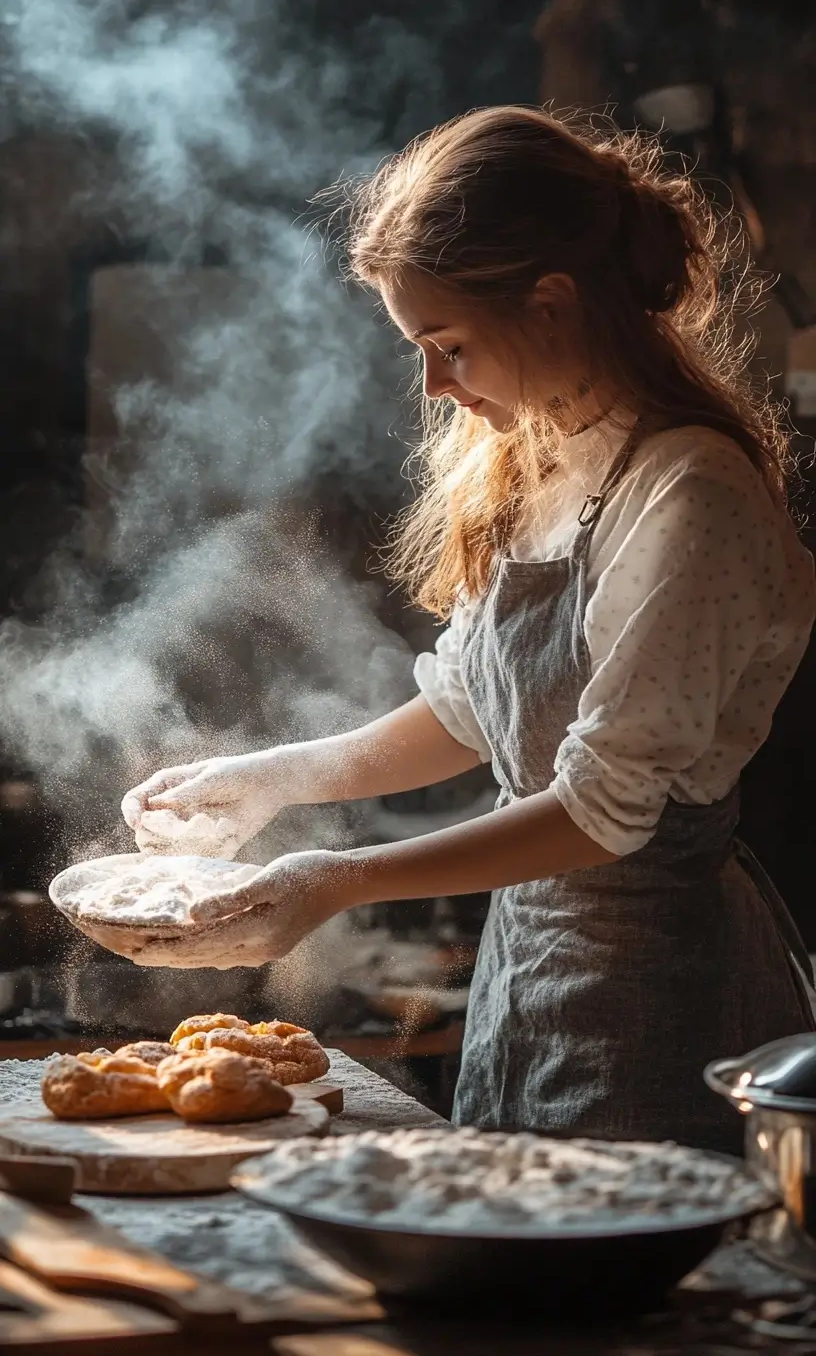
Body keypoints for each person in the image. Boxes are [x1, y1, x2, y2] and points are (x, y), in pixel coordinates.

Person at [122, 106, 816, 1152]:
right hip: (529, 968)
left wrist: (334, 881)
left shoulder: (689, 493)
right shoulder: (545, 457)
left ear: (549, 303)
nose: (437, 386)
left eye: (447, 346)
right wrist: (273, 778)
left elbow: (601, 811)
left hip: (661, 994)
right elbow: (465, 708)